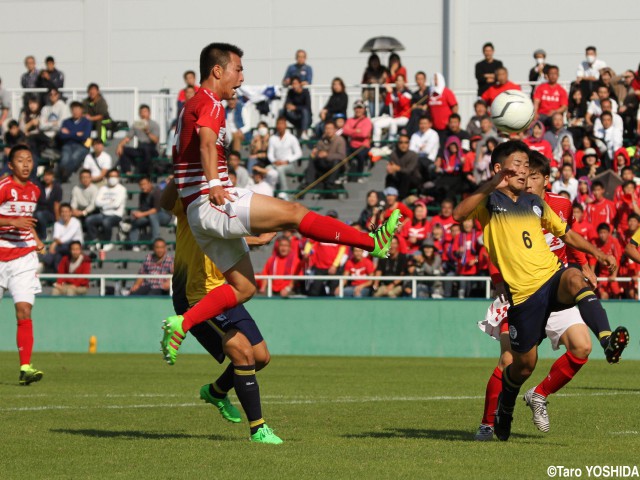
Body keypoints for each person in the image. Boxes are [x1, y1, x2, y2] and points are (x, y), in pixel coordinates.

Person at [163, 43, 401, 366]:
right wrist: (216, 183)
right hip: (212, 200)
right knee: (294, 214)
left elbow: (177, 176)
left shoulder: (188, 107)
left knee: (245, 287)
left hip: (197, 212)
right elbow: (206, 142)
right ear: (217, 71)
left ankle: (183, 323)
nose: (242, 78)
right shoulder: (211, 103)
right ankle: (371, 241)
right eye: (238, 69)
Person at [453, 140, 625, 441]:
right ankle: (504, 406)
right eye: (517, 165)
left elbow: (567, 234)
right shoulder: (490, 202)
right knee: (522, 366)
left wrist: (597, 255)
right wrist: (494, 183)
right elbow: (457, 215)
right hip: (523, 296)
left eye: (527, 166)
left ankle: (607, 340)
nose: (523, 171)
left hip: (551, 277)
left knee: (573, 279)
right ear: (499, 169)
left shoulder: (536, 203)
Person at [160, 180, 283, 444]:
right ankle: (258, 429)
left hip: (222, 292)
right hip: (194, 296)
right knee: (242, 352)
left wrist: (258, 238)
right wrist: (179, 171)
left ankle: (216, 392)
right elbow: (164, 203)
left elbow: (226, 236)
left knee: (261, 357)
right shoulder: (188, 203)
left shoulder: (221, 209)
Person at [0, 145, 45, 385]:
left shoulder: (35, 190)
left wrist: (36, 238)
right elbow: (15, 220)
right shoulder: (3, 187)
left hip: (23, 259)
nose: (26, 164)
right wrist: (10, 221)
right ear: (10, 165)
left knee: (25, 310)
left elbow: (26, 222)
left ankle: (25, 367)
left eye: (29, 160)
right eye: (20, 160)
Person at [85, 169, 127, 249]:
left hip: (116, 215)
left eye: (115, 176)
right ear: (107, 177)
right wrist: (109, 202)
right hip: (103, 214)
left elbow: (116, 205)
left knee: (106, 222)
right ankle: (95, 240)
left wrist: (104, 204)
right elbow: (97, 202)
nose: (113, 178)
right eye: (111, 176)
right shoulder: (103, 188)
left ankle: (107, 242)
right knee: (89, 220)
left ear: (118, 177)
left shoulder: (122, 189)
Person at [127, 177, 172, 248]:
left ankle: (155, 240)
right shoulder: (142, 195)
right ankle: (133, 245)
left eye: (144, 184)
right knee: (136, 221)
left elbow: (156, 209)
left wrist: (141, 214)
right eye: (141, 185)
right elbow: (142, 209)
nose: (143, 186)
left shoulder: (157, 192)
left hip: (164, 216)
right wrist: (136, 213)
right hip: (149, 216)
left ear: (149, 183)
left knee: (152, 215)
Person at [116, 104, 159, 176]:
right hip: (141, 148)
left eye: (145, 112)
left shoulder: (154, 124)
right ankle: (127, 172)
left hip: (152, 148)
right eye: (141, 112)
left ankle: (145, 173)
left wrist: (147, 132)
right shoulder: (136, 124)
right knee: (123, 149)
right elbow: (128, 137)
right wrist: (120, 145)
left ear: (149, 113)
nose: (143, 114)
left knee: (146, 149)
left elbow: (156, 140)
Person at [304, 121, 346, 193]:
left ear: (335, 130)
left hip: (337, 165)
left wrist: (327, 155)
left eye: (330, 128)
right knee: (313, 158)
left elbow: (341, 156)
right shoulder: (322, 140)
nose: (328, 130)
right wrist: (317, 154)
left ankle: (330, 183)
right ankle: (309, 182)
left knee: (337, 162)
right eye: (326, 128)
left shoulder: (340, 140)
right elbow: (317, 151)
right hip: (324, 164)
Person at [43, 203, 83, 271]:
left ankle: (45, 263)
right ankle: (58, 275)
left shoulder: (76, 222)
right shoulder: (57, 223)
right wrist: (56, 242)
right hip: (62, 247)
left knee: (56, 249)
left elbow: (67, 237)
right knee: (57, 256)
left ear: (70, 213)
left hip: (75, 247)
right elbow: (56, 237)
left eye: (66, 212)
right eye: (62, 212)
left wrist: (54, 244)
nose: (64, 214)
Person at [372, 75, 411, 145]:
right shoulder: (394, 93)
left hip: (404, 118)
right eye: (397, 80)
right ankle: (376, 145)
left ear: (404, 82)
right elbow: (387, 103)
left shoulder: (407, 92)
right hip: (394, 117)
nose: (399, 82)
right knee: (376, 124)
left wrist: (398, 92)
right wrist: (389, 92)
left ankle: (390, 145)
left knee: (393, 122)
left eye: (400, 80)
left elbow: (402, 103)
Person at [58, 101, 92, 182]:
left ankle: (64, 176)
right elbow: (61, 136)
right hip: (67, 145)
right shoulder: (66, 122)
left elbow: (85, 136)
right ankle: (63, 175)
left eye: (78, 109)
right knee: (64, 159)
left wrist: (69, 133)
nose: (75, 111)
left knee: (74, 157)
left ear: (82, 110)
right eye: (73, 109)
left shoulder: (86, 122)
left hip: (82, 146)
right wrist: (76, 134)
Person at [266, 116, 302, 191]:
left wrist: (287, 161)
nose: (280, 126)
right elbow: (270, 154)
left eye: (282, 124)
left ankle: (284, 192)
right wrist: (274, 161)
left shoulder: (292, 138)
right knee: (267, 169)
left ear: (286, 125)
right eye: (278, 124)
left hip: (289, 165)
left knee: (280, 169)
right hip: (276, 164)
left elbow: (299, 153)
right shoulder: (272, 138)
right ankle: (269, 192)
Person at [342, 100, 372, 177]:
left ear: (364, 109)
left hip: (363, 146)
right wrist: (357, 131)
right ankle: (345, 174)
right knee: (342, 155)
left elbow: (364, 134)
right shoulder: (350, 120)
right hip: (352, 145)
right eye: (356, 108)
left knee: (360, 155)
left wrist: (351, 131)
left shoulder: (367, 121)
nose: (358, 110)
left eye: (360, 108)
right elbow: (345, 131)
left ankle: (359, 175)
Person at [386, 134, 421, 200]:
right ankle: (389, 196)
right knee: (389, 177)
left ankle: (400, 199)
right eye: (401, 142)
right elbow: (391, 167)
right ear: (398, 144)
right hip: (399, 177)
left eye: (406, 142)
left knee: (406, 176)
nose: (403, 145)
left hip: (413, 179)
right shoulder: (393, 154)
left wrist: (397, 168)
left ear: (409, 144)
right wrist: (390, 170)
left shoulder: (413, 155)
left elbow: (409, 170)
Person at [33, 168, 62, 241]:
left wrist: (57, 219)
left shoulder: (57, 188)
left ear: (53, 177)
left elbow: (56, 204)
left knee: (40, 215)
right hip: (38, 211)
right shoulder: (40, 186)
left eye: (49, 175)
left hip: (50, 213)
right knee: (35, 216)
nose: (47, 177)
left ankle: (43, 237)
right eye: (45, 175)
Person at [409, 116, 439, 183]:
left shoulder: (433, 134)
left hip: (429, 161)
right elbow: (411, 151)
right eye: (421, 123)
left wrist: (417, 149)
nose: (423, 126)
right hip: (416, 160)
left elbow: (426, 151)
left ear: (430, 124)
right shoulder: (415, 135)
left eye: (425, 123)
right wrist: (420, 149)